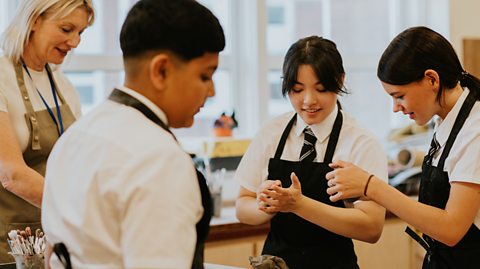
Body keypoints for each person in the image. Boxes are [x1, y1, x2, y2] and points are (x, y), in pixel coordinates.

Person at [41, 0, 225, 268]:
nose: (212, 92)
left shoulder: (75, 137)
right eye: (205, 76)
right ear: (161, 71)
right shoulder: (159, 159)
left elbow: (51, 255)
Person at [326, 26, 480, 268]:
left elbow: (452, 228)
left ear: (432, 79)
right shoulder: (444, 120)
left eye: (399, 96)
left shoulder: (475, 129)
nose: (396, 107)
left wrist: (372, 186)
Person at [235, 36, 388, 269]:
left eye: (321, 89)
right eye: (297, 90)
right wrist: (265, 205)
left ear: (340, 80)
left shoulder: (360, 142)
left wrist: (298, 204)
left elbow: (371, 227)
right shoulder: (272, 133)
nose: (308, 101)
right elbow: (242, 207)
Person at [0, 0, 94, 262]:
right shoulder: (1, 78)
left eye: (81, 33)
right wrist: (80, 213)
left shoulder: (64, 87)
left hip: (57, 239)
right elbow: (11, 174)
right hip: (9, 244)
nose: (74, 42)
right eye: (66, 29)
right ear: (34, 20)